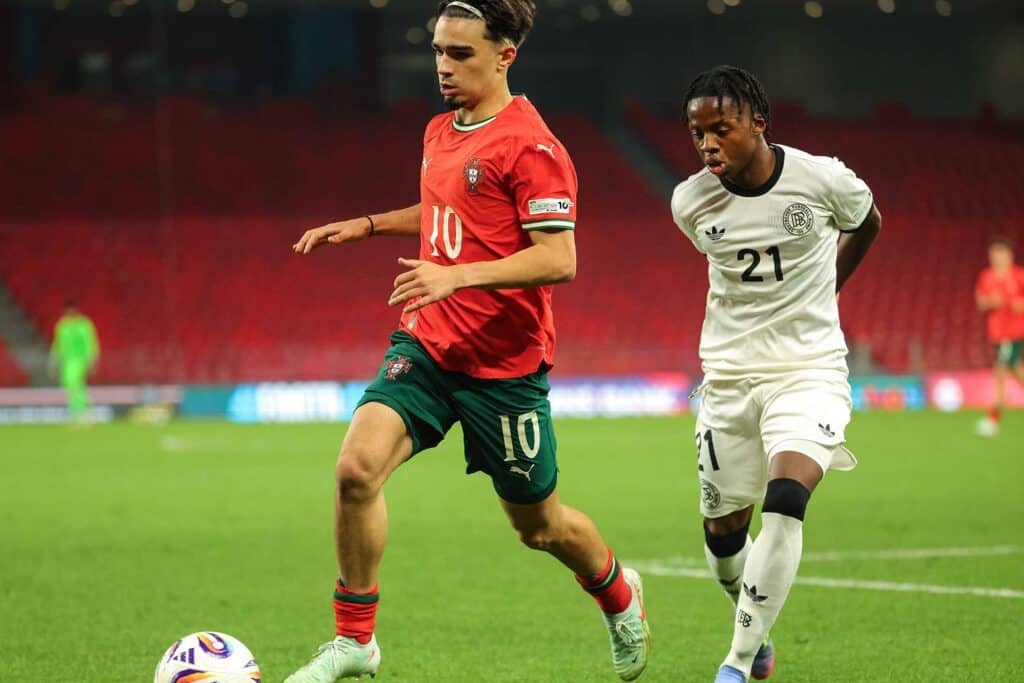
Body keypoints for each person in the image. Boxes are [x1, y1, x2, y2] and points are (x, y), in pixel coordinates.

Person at [284, 2, 651, 681]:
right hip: (427, 346)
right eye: (438, 51)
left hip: (503, 368)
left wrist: (458, 275)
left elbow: (559, 258)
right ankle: (356, 639)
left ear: (505, 55)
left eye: (460, 54)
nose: (443, 67)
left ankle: (619, 593)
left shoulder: (533, 147)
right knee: (355, 471)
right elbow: (449, 211)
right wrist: (368, 225)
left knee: (539, 528)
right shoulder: (440, 129)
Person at [670, 65, 881, 682]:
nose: (708, 144)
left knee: (787, 499)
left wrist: (827, 290)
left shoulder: (822, 179)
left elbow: (868, 221)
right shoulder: (690, 202)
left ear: (758, 122)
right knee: (723, 535)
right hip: (729, 380)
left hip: (810, 371)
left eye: (722, 129)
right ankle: (750, 621)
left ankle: (735, 665)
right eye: (697, 133)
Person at [974, 235, 1024, 436]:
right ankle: (993, 419)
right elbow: (980, 303)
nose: (996, 257)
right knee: (1015, 371)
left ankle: (993, 419)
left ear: (1009, 255)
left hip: (1012, 333)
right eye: (993, 253)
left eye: (1000, 252)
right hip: (996, 333)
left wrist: (1014, 304)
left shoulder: (1019, 276)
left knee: (1001, 372)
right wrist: (991, 302)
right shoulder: (986, 276)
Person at [48, 300, 99, 424]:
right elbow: (57, 344)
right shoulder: (62, 325)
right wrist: (53, 361)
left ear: (76, 310)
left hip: (80, 359)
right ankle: (82, 412)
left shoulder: (84, 324)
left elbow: (90, 343)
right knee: (72, 386)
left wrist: (92, 360)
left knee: (73, 383)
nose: (70, 313)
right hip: (67, 361)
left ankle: (81, 412)